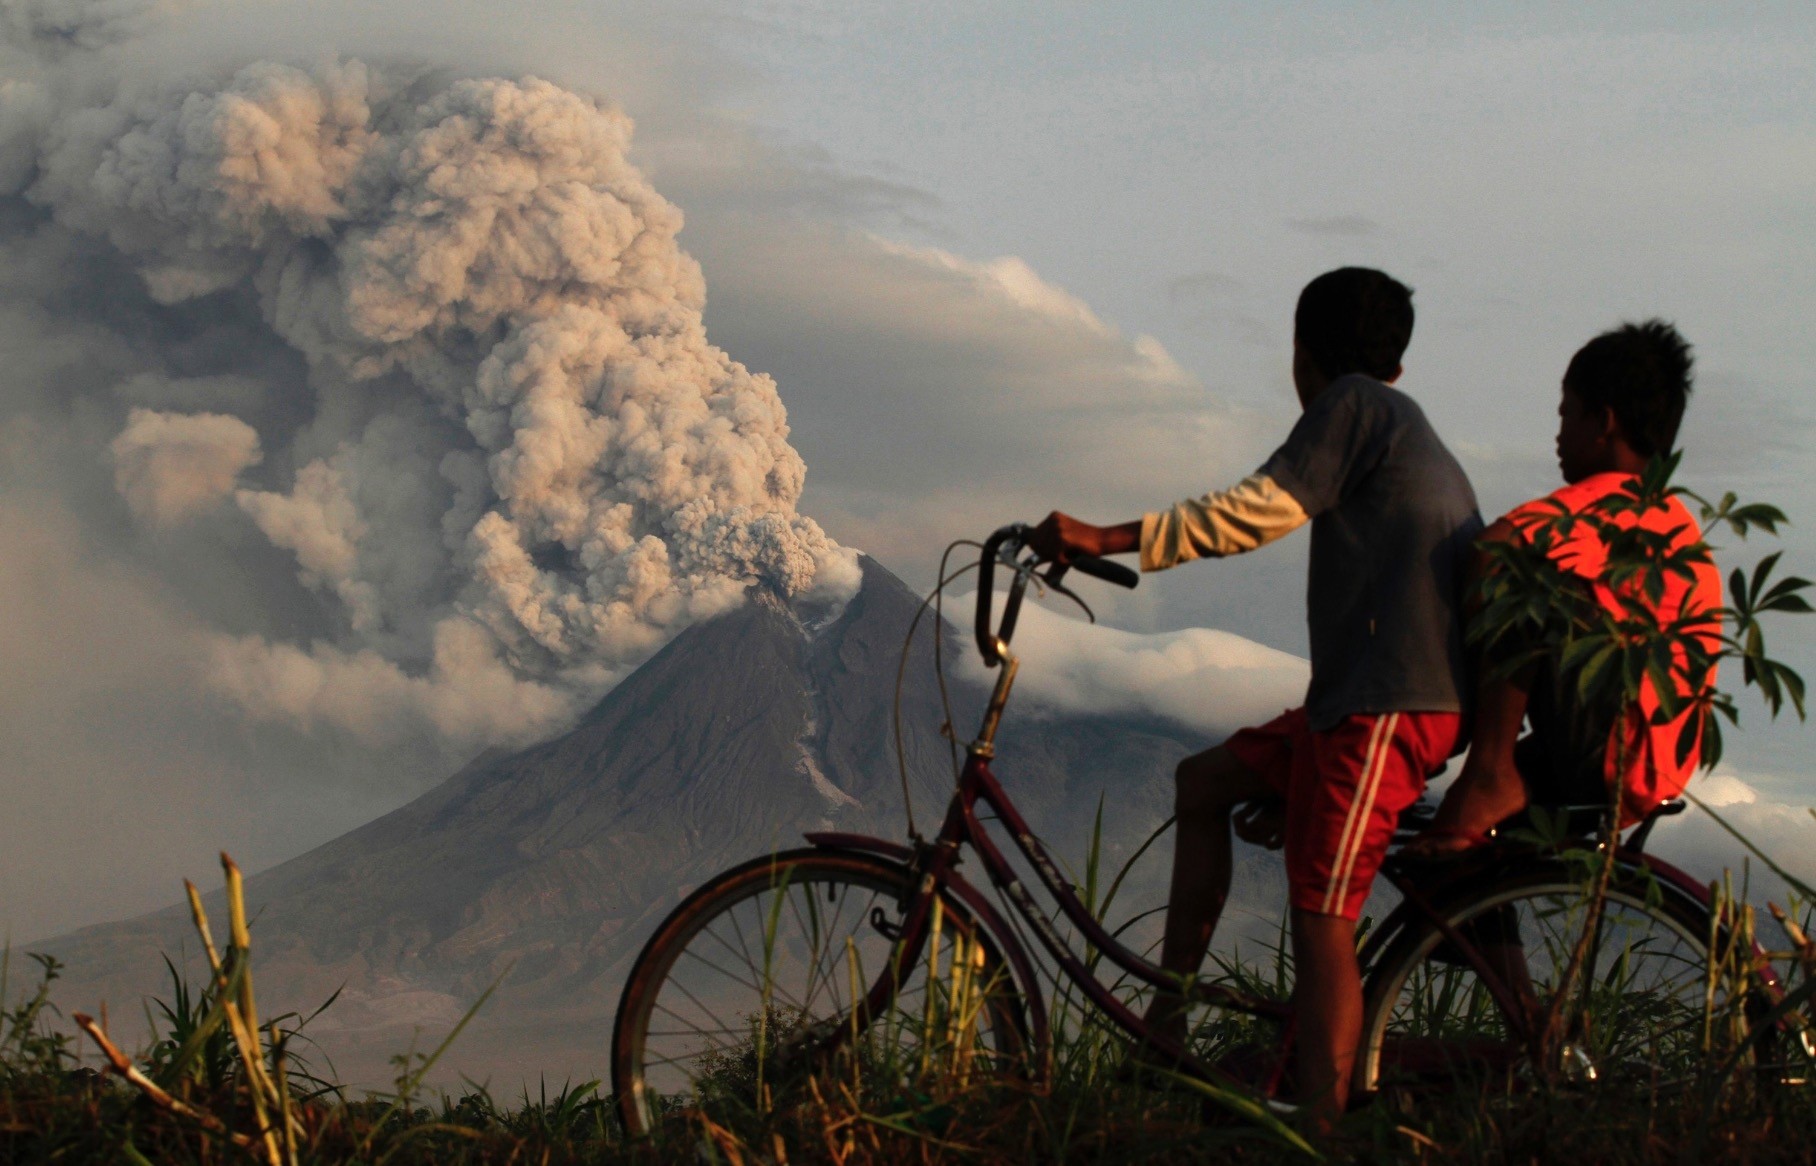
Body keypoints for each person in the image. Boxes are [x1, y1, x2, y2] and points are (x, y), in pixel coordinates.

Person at [1032, 267, 1482, 1124]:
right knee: (1205, 781)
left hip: (1389, 708)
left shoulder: (1352, 407)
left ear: (1303, 352)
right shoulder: (1396, 419)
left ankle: (1323, 1128)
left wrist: (1105, 535)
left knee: (1323, 915)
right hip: (1353, 703)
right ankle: (1166, 1029)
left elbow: (1253, 514)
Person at [1408, 320, 1718, 854]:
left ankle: (1488, 768)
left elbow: (1495, 551)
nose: (1557, 434)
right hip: (1647, 762)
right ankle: (1488, 935)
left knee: (1522, 579)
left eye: (1565, 414)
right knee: (1459, 855)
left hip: (1605, 750)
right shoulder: (1674, 521)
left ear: (1604, 423)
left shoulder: (1615, 501)